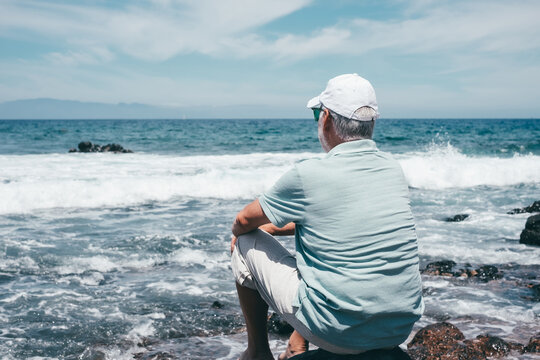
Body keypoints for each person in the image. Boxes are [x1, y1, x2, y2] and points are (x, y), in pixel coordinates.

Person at [230, 74, 424, 360]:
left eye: (316, 114)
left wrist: (260, 230)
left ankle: (258, 352)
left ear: (327, 118)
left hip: (336, 331)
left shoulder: (308, 174)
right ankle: (299, 344)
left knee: (244, 241)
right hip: (398, 328)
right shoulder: (393, 170)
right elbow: (338, 219)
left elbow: (243, 221)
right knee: (324, 254)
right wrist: (279, 228)